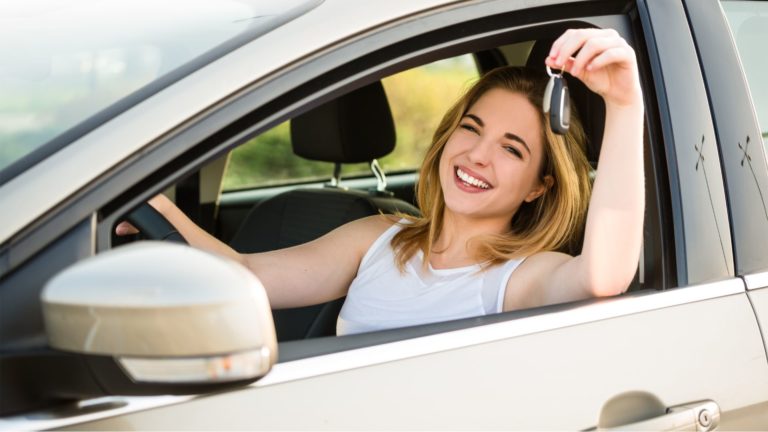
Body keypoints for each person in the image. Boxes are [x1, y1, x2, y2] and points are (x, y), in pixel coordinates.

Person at [117, 28, 644, 335]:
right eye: (471, 128)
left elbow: (602, 277)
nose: (477, 156)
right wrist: (146, 208)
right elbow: (243, 275)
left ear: (539, 186)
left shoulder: (520, 278)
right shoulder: (380, 236)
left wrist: (623, 105)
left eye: (512, 149)